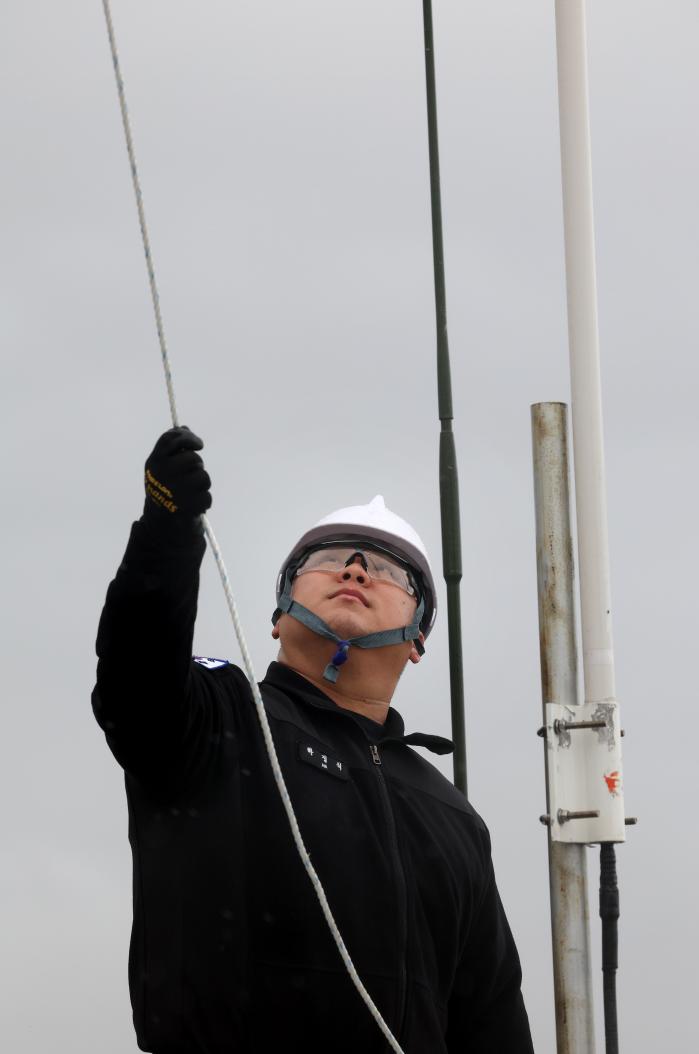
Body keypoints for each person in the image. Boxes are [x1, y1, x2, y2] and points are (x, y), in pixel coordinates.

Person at [92, 426, 534, 1053]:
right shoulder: (220, 718)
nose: (354, 568)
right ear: (278, 616)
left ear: (417, 640)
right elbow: (135, 678)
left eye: (388, 569)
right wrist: (167, 532)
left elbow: (490, 1018)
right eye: (325, 559)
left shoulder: (454, 817)